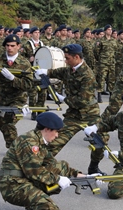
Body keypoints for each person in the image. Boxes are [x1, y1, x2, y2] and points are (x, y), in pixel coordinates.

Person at [0, 112, 87, 210]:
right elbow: (34, 172)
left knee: (59, 167)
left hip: (21, 181)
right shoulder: (30, 143)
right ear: (47, 129)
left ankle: (37, 205)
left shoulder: (38, 141)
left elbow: (54, 165)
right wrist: (58, 180)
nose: (57, 136)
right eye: (56, 131)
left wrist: (83, 176)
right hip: (13, 186)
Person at [34, 44, 102, 172]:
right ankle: (39, 164)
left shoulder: (87, 75)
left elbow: (82, 101)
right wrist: (46, 72)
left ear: (77, 57)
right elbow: (58, 72)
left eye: (67, 58)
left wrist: (63, 99)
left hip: (89, 115)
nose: (65, 60)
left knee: (100, 143)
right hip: (73, 116)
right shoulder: (70, 69)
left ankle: (93, 167)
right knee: (56, 140)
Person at [0, 34, 34, 147]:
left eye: (12, 45)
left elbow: (28, 84)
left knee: (7, 122)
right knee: (3, 123)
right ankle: (14, 149)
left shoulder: (24, 63)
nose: (9, 48)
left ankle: (14, 150)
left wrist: (13, 79)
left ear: (19, 46)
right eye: (7, 45)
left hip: (17, 100)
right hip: (2, 99)